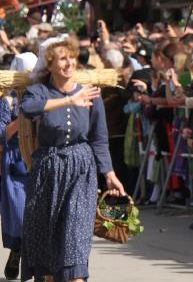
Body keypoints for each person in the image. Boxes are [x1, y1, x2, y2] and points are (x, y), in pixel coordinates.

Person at [20, 39, 126, 282]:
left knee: (75, 237)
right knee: (46, 240)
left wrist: (109, 173)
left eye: (72, 58)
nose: (69, 63)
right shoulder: (39, 91)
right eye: (62, 58)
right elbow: (29, 108)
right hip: (48, 170)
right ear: (50, 64)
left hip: (81, 170)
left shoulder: (90, 93)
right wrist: (69, 100)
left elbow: (99, 138)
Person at [0, 88, 27, 280]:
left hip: (43, 159)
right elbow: (2, 134)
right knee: (19, 214)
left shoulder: (49, 95)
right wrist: (22, 120)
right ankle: (17, 250)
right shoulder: (8, 101)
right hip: (16, 161)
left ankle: (39, 264)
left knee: (41, 214)